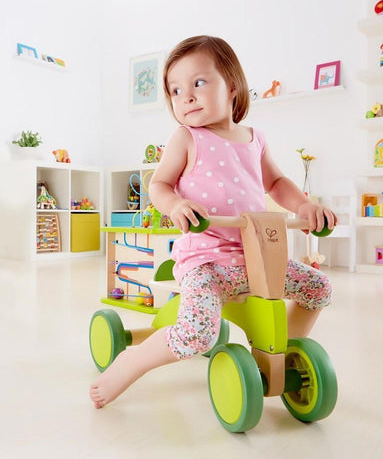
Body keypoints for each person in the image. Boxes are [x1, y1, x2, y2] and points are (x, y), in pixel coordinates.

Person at [90, 35, 337, 409]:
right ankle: (132, 362)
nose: (185, 96)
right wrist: (175, 204)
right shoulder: (186, 138)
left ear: (232, 87)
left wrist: (304, 206)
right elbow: (159, 184)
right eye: (175, 90)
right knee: (196, 336)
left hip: (258, 259)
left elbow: (277, 182)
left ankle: (283, 349)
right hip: (206, 260)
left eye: (198, 83)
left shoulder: (255, 139)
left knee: (318, 288)